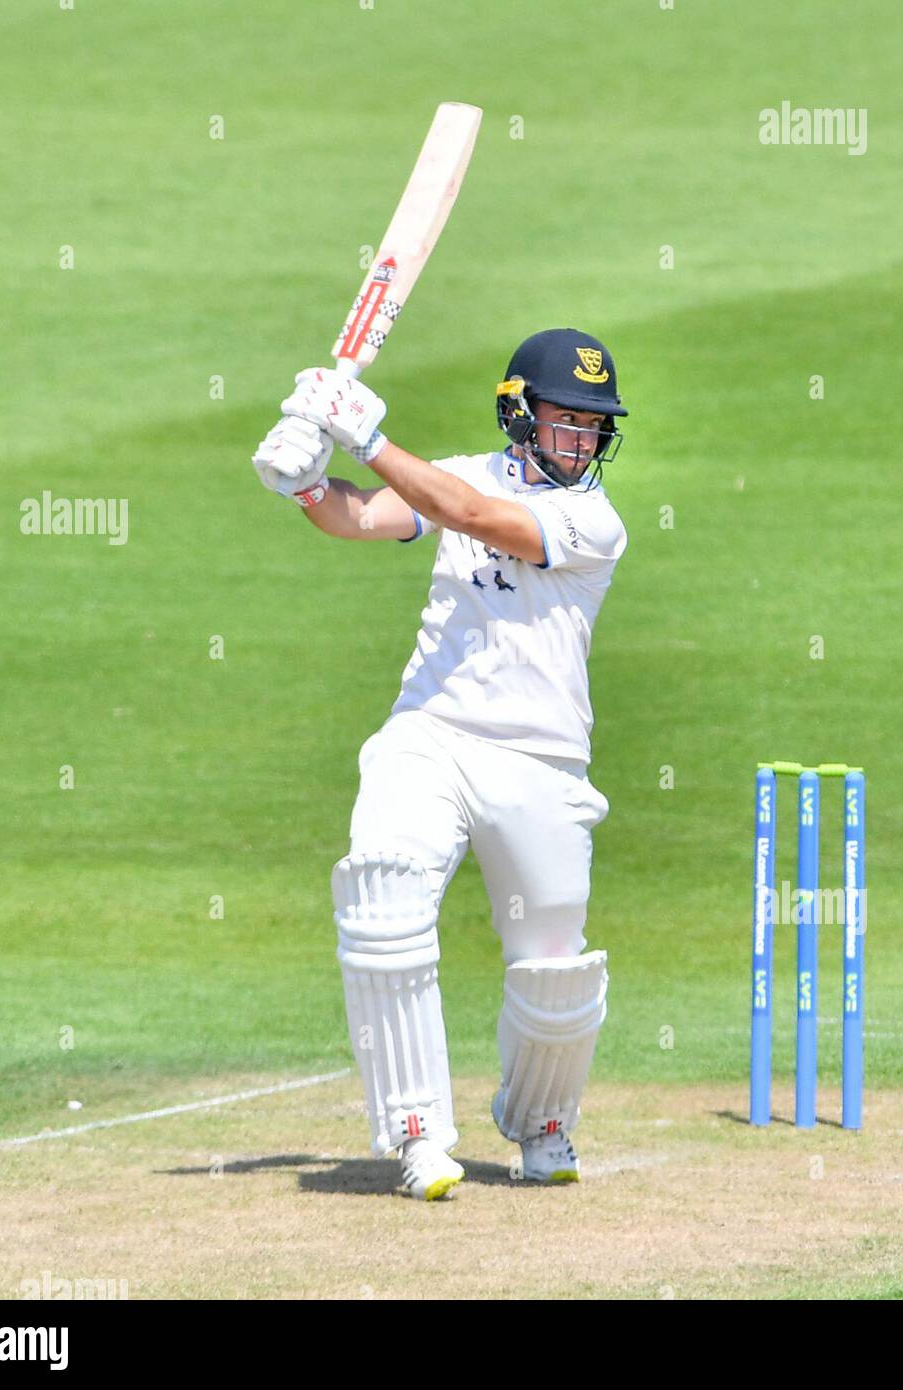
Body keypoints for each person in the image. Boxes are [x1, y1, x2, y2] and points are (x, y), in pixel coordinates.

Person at [252, 328, 628, 1200]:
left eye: (591, 424)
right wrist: (306, 481)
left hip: (539, 758)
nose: (578, 439)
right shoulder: (464, 468)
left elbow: (471, 517)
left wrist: (371, 438)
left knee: (554, 966)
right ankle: (417, 1131)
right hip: (430, 734)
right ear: (517, 412)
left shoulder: (592, 520)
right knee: (382, 896)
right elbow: (366, 517)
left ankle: (540, 1121)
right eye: (562, 419)